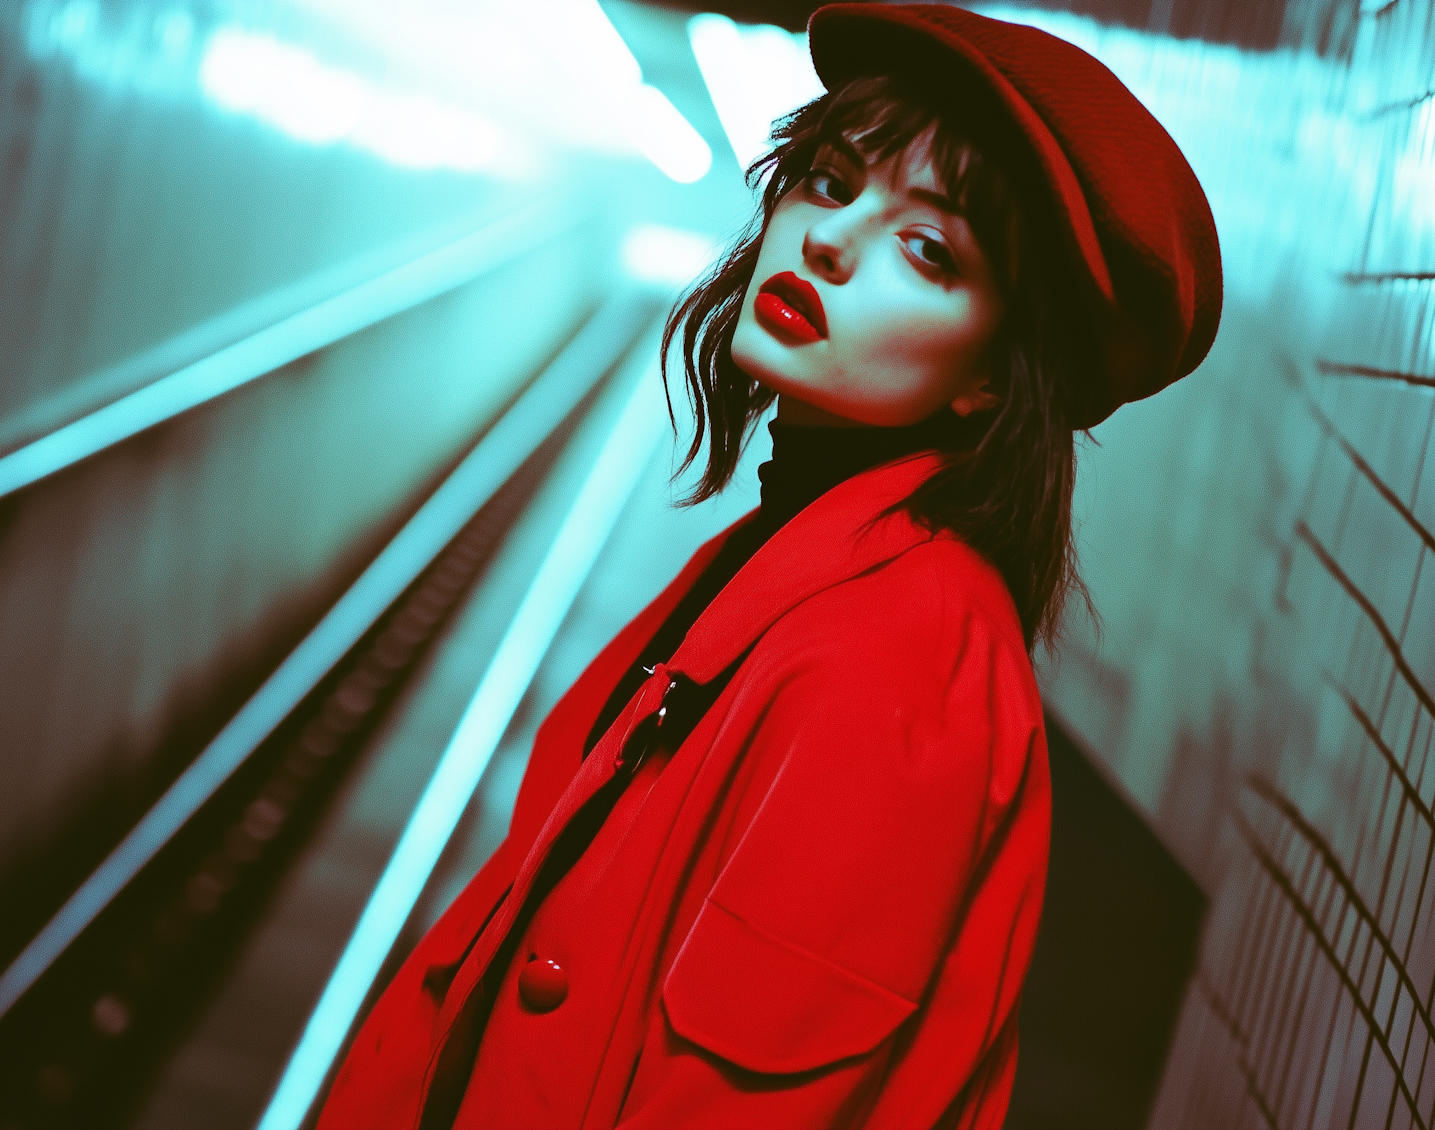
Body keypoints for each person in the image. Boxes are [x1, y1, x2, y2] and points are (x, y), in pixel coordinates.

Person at [316, 4, 1221, 1128]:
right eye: (833, 183)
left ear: (993, 378)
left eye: (929, 249)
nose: (827, 240)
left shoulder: (901, 664)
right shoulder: (804, 556)